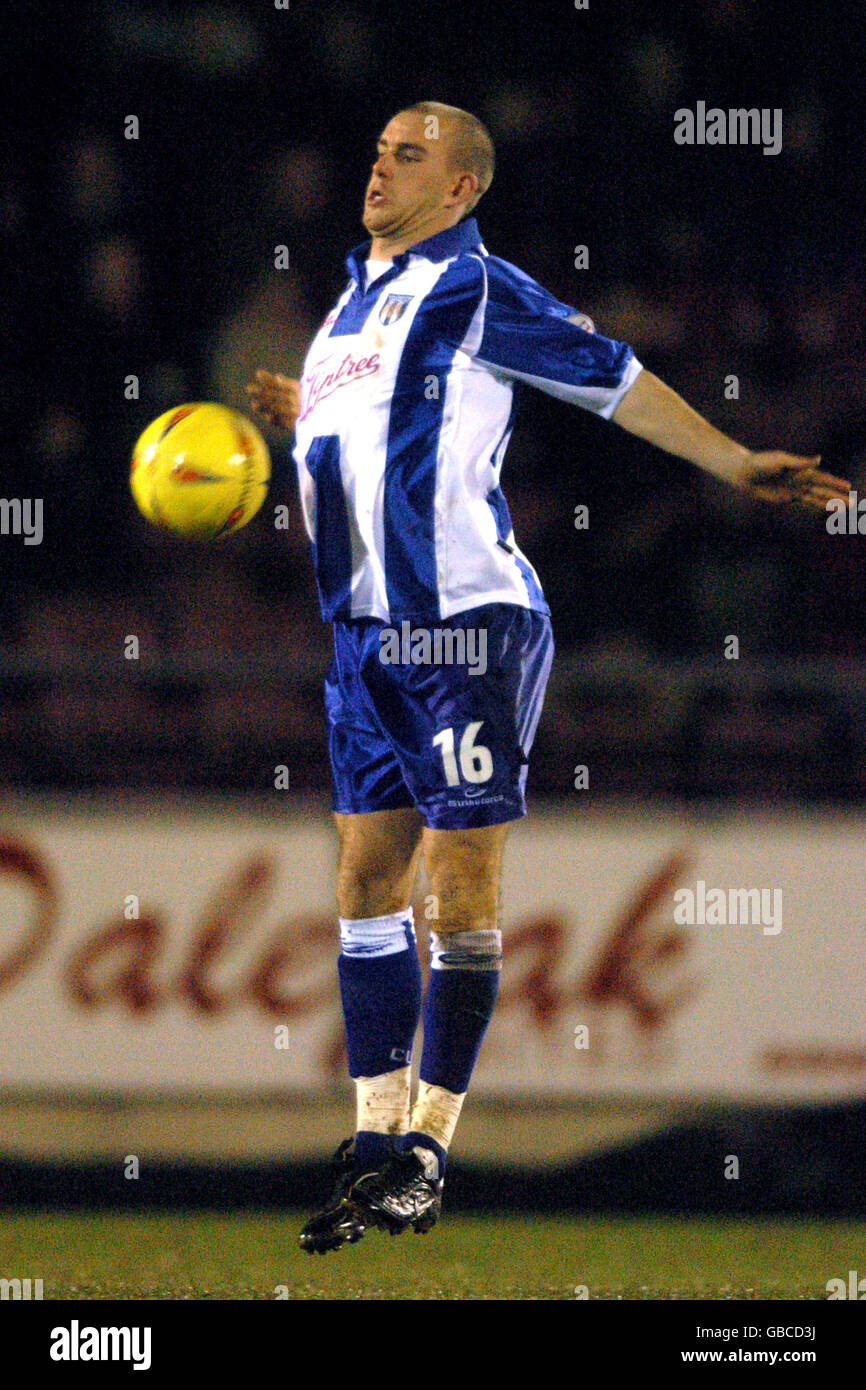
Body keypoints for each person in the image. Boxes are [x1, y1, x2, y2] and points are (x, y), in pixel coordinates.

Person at [247, 101, 848, 1254]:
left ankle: (426, 1150)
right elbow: (365, 453)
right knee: (365, 879)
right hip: (360, 639)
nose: (378, 166)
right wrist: (297, 420)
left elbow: (609, 379)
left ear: (462, 187)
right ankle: (372, 1141)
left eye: (407, 156)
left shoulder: (474, 287)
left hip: (465, 628)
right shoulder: (347, 309)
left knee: (455, 888)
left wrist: (733, 462)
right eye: (374, 149)